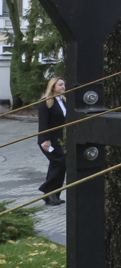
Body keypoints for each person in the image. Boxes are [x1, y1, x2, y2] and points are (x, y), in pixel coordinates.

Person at [37, 77, 67, 206]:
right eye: (60, 85)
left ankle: (53, 195)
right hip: (48, 141)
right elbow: (43, 124)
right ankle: (47, 191)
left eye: (64, 85)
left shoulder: (64, 101)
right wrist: (46, 140)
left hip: (60, 140)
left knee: (60, 165)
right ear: (53, 87)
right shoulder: (45, 103)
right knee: (58, 162)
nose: (63, 87)